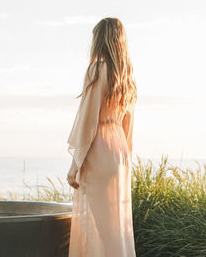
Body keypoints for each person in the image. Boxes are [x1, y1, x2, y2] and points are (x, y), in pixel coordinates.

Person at [66, 17, 137, 257]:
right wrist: (124, 157)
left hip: (100, 149)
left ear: (100, 40)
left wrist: (75, 164)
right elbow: (129, 127)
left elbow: (88, 121)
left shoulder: (97, 70)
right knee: (117, 228)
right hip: (120, 154)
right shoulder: (127, 77)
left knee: (99, 230)